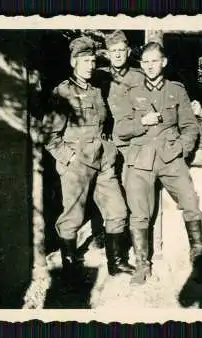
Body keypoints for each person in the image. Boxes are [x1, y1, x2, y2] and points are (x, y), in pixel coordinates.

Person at [42, 36, 135, 279]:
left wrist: (110, 147)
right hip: (78, 162)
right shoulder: (62, 92)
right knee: (72, 216)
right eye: (85, 61)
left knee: (118, 210)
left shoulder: (96, 90)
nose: (90, 65)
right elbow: (49, 135)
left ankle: (116, 263)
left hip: (103, 160)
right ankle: (70, 269)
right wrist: (69, 157)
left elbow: (105, 122)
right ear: (74, 62)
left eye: (93, 60)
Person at [115, 42, 202, 285]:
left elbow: (189, 126)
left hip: (170, 158)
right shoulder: (130, 92)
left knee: (190, 202)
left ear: (163, 62)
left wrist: (182, 151)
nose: (150, 66)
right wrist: (142, 122)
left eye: (154, 61)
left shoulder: (177, 90)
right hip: (140, 160)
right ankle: (142, 265)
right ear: (141, 65)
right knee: (139, 214)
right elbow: (120, 130)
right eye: (145, 62)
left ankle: (199, 258)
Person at [94, 30, 146, 188]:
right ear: (107, 54)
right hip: (107, 142)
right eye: (113, 51)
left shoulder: (140, 77)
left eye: (121, 50)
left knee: (133, 187)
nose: (117, 55)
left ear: (128, 52)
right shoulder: (98, 77)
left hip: (132, 142)